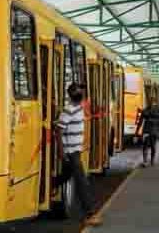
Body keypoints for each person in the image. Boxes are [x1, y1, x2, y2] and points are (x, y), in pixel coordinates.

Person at [55, 84, 102, 227]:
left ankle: (50, 186)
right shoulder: (68, 110)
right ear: (72, 94)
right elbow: (59, 130)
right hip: (70, 153)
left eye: (81, 91)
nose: (80, 93)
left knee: (65, 176)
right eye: (78, 91)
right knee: (82, 181)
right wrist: (61, 152)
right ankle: (90, 213)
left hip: (76, 151)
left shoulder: (79, 108)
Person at [136, 97, 159, 167]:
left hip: (148, 130)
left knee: (147, 146)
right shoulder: (158, 110)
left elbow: (140, 122)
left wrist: (137, 131)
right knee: (150, 146)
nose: (151, 103)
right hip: (153, 131)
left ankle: (147, 161)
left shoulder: (146, 110)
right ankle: (150, 161)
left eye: (151, 102)